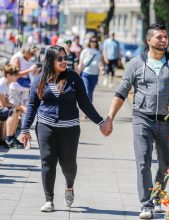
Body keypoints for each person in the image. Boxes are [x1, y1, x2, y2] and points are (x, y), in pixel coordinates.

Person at [102, 23, 169, 219]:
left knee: (166, 163)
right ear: (149, 41)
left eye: (165, 36)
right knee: (143, 161)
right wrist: (109, 118)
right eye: (159, 37)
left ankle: (157, 196)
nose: (164, 40)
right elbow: (121, 92)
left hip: (167, 120)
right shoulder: (136, 63)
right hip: (142, 119)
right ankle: (146, 204)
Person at [21, 45, 107, 212]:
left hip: (70, 128)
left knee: (68, 164)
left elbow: (85, 103)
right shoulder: (39, 80)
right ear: (50, 60)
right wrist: (25, 129)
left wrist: (100, 122)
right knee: (47, 161)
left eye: (65, 58)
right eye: (59, 58)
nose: (64, 61)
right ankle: (49, 200)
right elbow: (32, 105)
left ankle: (69, 185)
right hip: (46, 126)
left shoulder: (74, 78)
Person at [9, 43, 40, 114]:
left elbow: (29, 73)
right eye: (32, 54)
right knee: (13, 110)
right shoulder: (17, 57)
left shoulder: (28, 59)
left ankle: (19, 123)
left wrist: (35, 71)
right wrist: (30, 69)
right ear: (26, 51)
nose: (32, 56)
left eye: (33, 55)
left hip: (25, 87)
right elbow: (15, 74)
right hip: (15, 87)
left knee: (22, 111)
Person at [0, 64, 25, 148]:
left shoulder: (7, 84)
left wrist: (17, 107)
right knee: (13, 111)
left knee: (16, 110)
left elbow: (6, 102)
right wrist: (17, 107)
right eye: (15, 75)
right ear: (8, 75)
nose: (17, 77)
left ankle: (11, 136)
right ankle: (8, 138)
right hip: (1, 107)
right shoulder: (2, 84)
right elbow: (3, 104)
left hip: (2, 107)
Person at [78, 36, 102, 102]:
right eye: (92, 41)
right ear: (89, 42)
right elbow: (80, 64)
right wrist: (77, 73)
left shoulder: (98, 52)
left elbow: (100, 63)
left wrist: (102, 69)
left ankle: (89, 107)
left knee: (90, 92)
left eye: (95, 41)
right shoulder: (85, 51)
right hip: (85, 74)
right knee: (87, 91)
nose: (93, 43)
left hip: (94, 75)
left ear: (97, 43)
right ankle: (88, 108)